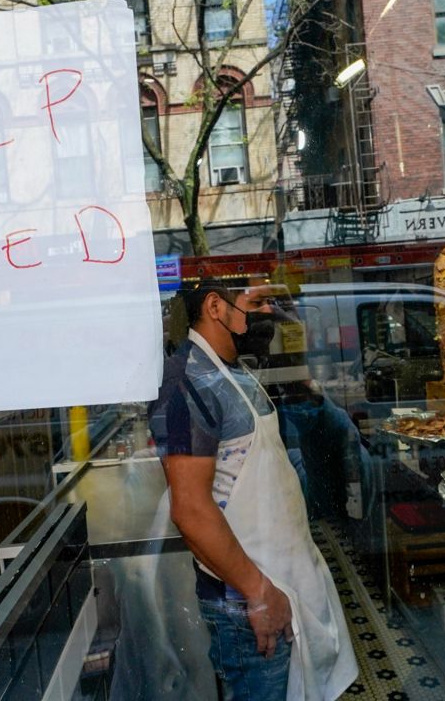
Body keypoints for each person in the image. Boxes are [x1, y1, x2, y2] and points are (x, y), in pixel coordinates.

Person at [149, 279, 358, 701]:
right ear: (214, 306)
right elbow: (190, 510)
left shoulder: (234, 372)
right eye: (257, 302)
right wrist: (260, 595)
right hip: (250, 604)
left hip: (284, 583)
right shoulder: (188, 385)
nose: (269, 314)